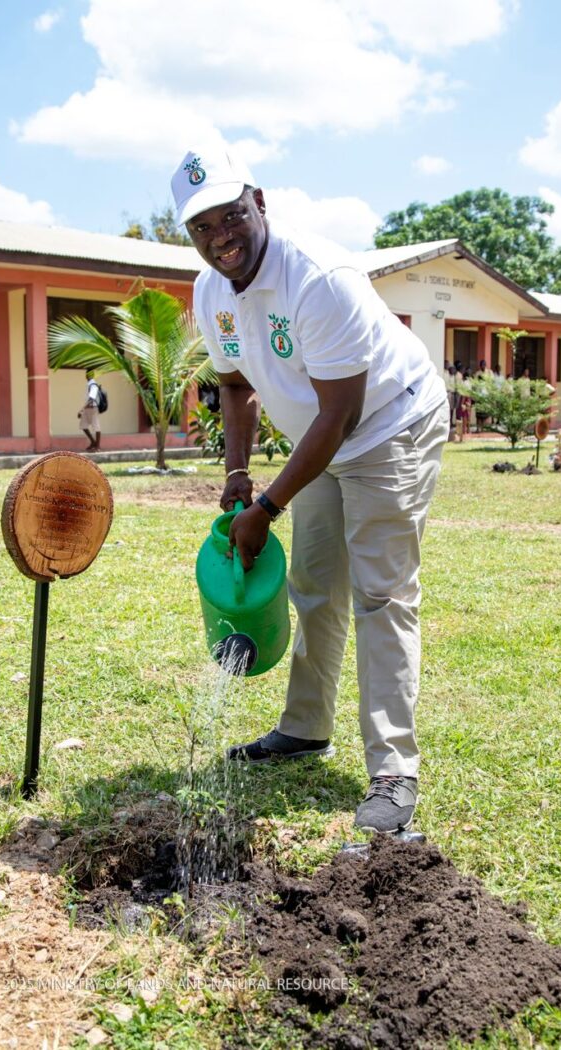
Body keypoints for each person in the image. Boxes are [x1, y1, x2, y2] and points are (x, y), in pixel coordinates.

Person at [172, 148, 449, 835]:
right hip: (322, 438)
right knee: (314, 583)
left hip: (389, 424)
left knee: (380, 593)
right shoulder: (212, 291)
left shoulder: (320, 279)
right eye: (201, 228)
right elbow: (235, 384)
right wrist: (239, 478)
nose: (220, 237)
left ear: (259, 202)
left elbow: (341, 414)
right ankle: (305, 729)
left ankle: (393, 770)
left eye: (230, 215)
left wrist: (268, 507)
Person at [78, 370, 101, 451]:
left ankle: (97, 446)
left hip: (92, 408)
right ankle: (93, 442)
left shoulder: (93, 384)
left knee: (96, 427)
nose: (87, 376)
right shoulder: (89, 384)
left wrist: (81, 410)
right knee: (83, 426)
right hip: (87, 408)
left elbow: (91, 398)